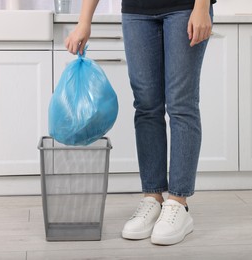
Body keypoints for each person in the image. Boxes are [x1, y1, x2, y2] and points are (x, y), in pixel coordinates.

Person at [65, 0, 215, 245]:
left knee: (181, 105)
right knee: (146, 107)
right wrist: (84, 21)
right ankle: (152, 198)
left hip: (184, 7)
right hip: (137, 11)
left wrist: (201, 7)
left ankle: (178, 202)